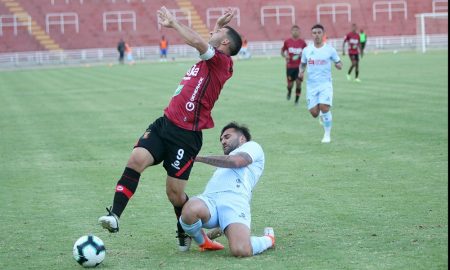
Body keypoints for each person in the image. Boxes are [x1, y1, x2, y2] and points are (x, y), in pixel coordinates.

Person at [98, 6, 243, 252]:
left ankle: (186, 231)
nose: (213, 32)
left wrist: (175, 23)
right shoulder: (213, 57)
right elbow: (206, 40)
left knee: (175, 194)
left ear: (226, 42)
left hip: (186, 136)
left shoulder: (221, 62)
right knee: (136, 159)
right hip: (165, 124)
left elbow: (198, 41)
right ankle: (115, 216)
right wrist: (218, 23)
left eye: (219, 31)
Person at [179, 123, 275, 256]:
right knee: (190, 210)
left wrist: (198, 158)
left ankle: (268, 239)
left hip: (234, 202)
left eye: (227, 137)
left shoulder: (252, 146)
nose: (223, 141)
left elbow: (237, 161)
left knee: (241, 250)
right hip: (210, 199)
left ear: (242, 138)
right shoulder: (225, 160)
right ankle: (204, 242)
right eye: (221, 139)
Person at [299, 24, 342, 143]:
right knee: (314, 113)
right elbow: (303, 63)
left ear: (323, 34)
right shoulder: (307, 50)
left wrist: (338, 65)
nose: (317, 35)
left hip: (325, 84)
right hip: (311, 85)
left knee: (324, 107)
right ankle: (322, 117)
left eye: (319, 32)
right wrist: (301, 72)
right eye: (314, 33)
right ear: (311, 35)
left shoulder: (330, 50)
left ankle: (327, 135)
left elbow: (339, 62)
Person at [281, 25, 307, 105]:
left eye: (297, 30)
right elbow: (282, 51)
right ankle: (289, 92)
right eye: (294, 30)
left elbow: (307, 53)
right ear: (291, 32)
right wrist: (286, 56)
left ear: (299, 32)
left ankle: (296, 100)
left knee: (298, 83)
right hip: (290, 67)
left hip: (299, 67)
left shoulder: (303, 43)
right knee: (290, 85)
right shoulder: (287, 41)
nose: (295, 32)